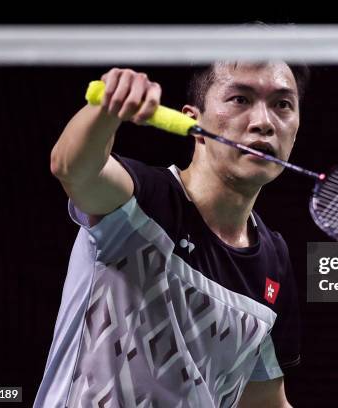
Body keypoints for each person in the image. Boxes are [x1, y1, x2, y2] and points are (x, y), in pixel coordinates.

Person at [35, 60, 308, 407]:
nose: (263, 122)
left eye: (282, 104)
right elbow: (72, 168)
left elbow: (264, 400)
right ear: (194, 122)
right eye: (240, 99)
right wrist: (105, 107)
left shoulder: (274, 262)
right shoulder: (138, 204)